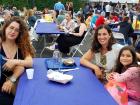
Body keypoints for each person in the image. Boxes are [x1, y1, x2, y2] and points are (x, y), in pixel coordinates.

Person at [0, 16, 35, 105]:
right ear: (5, 28)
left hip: (17, 85)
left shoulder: (21, 45)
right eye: (11, 28)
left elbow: (29, 62)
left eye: (16, 30)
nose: (13, 32)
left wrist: (14, 61)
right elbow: (21, 67)